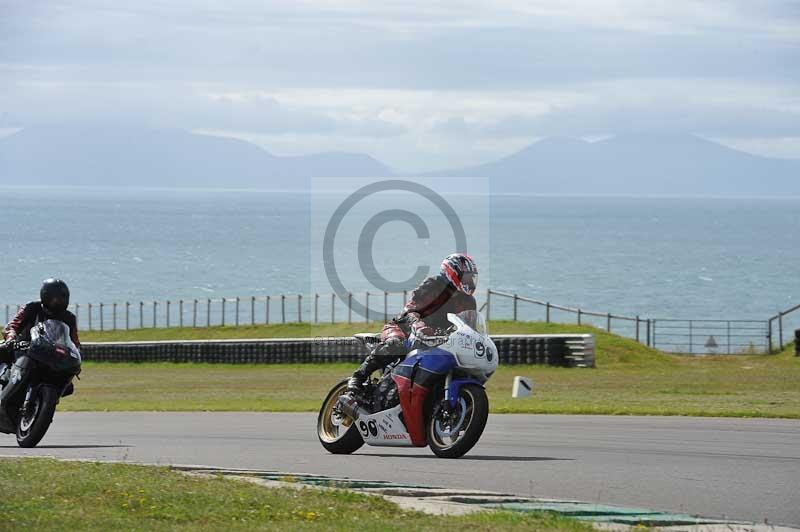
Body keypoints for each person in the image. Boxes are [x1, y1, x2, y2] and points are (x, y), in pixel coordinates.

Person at [346, 253, 478, 394]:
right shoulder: (433, 285)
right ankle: (358, 377)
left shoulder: (468, 301)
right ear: (453, 272)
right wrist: (419, 325)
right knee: (395, 344)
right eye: (467, 277)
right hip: (404, 327)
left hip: (436, 338)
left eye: (472, 277)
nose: (470, 281)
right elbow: (410, 310)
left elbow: (468, 329)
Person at [0, 279, 80, 365]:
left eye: (62, 297)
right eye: (56, 299)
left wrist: (75, 356)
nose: (59, 302)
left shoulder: (69, 318)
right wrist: (11, 338)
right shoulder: (32, 307)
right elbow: (12, 326)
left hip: (51, 358)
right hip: (23, 352)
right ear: (46, 296)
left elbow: (74, 343)